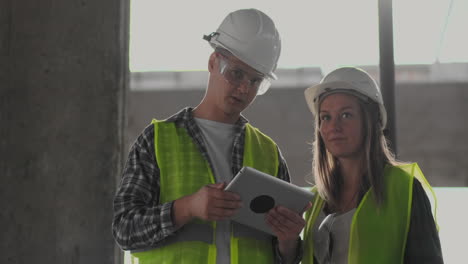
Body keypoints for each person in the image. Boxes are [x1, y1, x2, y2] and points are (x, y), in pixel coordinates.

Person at [112, 8, 304, 264]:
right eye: (236, 73)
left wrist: (289, 242)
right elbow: (125, 230)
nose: (244, 88)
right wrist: (187, 208)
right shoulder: (157, 140)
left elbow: (282, 257)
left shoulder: (268, 153)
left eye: (256, 80)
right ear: (213, 62)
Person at [296, 67, 444, 264]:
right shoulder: (315, 200)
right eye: (326, 117)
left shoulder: (404, 190)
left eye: (346, 115)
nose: (334, 127)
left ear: (371, 121)